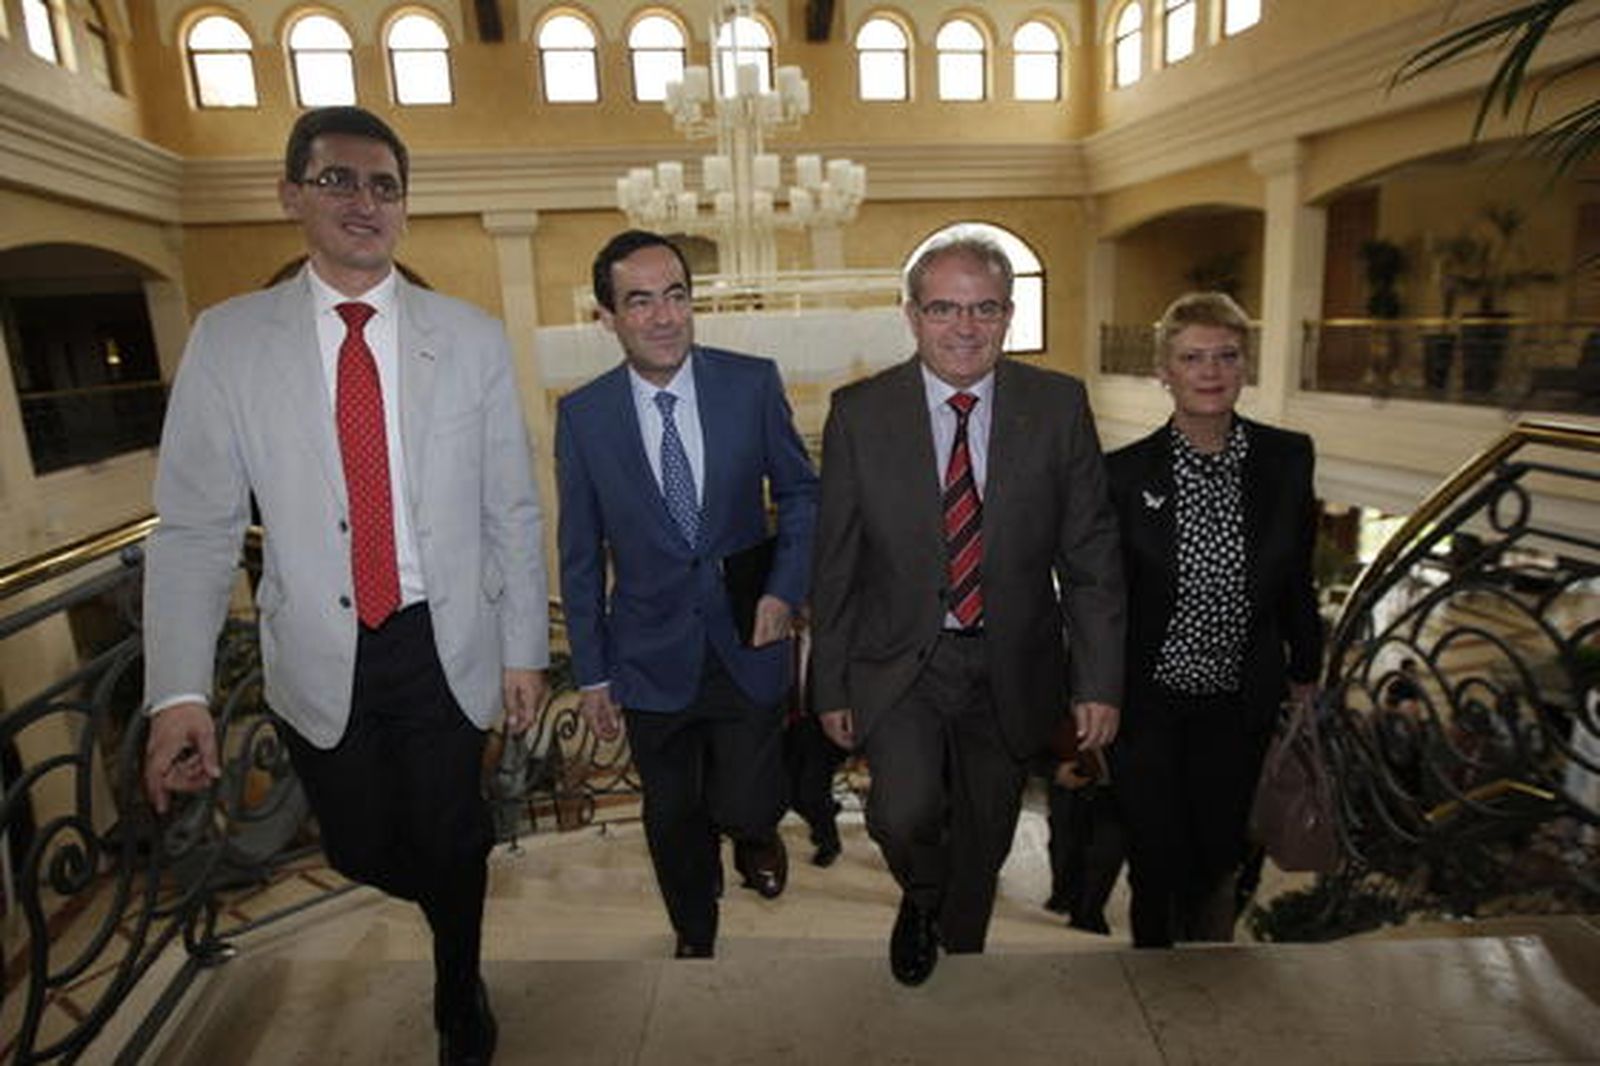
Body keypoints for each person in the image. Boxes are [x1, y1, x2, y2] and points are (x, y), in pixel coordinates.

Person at [141, 107, 548, 1065]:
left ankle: (460, 988)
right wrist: (180, 692)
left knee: (449, 833)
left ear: (404, 207)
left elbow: (512, 510)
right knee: (362, 848)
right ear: (292, 196)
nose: (363, 202)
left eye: (384, 185)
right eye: (337, 181)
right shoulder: (228, 341)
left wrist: (526, 648)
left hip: (440, 635)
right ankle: (456, 888)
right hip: (317, 648)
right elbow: (196, 528)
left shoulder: (472, 337)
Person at [809, 232, 1125, 986]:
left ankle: (965, 960)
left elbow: (1091, 556)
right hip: (901, 662)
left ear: (1009, 315)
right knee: (902, 813)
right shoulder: (860, 412)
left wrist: (1100, 681)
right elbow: (837, 564)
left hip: (1012, 661)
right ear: (912, 316)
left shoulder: (1057, 406)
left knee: (985, 837)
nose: (964, 327)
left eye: (984, 308)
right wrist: (830, 687)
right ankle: (921, 896)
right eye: (944, 308)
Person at [555, 229, 818, 959]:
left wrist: (782, 589)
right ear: (605, 316)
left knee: (747, 800)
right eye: (640, 301)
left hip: (747, 634)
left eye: (676, 295)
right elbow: (579, 554)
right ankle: (694, 934)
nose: (665, 316)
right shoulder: (583, 417)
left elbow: (801, 494)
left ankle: (755, 833)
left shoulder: (751, 382)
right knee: (672, 813)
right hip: (645, 651)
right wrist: (594, 673)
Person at [1107, 291, 1322, 949]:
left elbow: (1296, 575)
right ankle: (1151, 966)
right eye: (1191, 357)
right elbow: (1103, 597)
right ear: (1163, 373)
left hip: (1239, 699)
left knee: (1216, 849)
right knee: (1153, 853)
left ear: (1245, 367)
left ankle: (1207, 966)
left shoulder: (1287, 458)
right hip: (1145, 703)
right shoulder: (1121, 474)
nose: (1210, 371)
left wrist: (1305, 669)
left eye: (1226, 355)